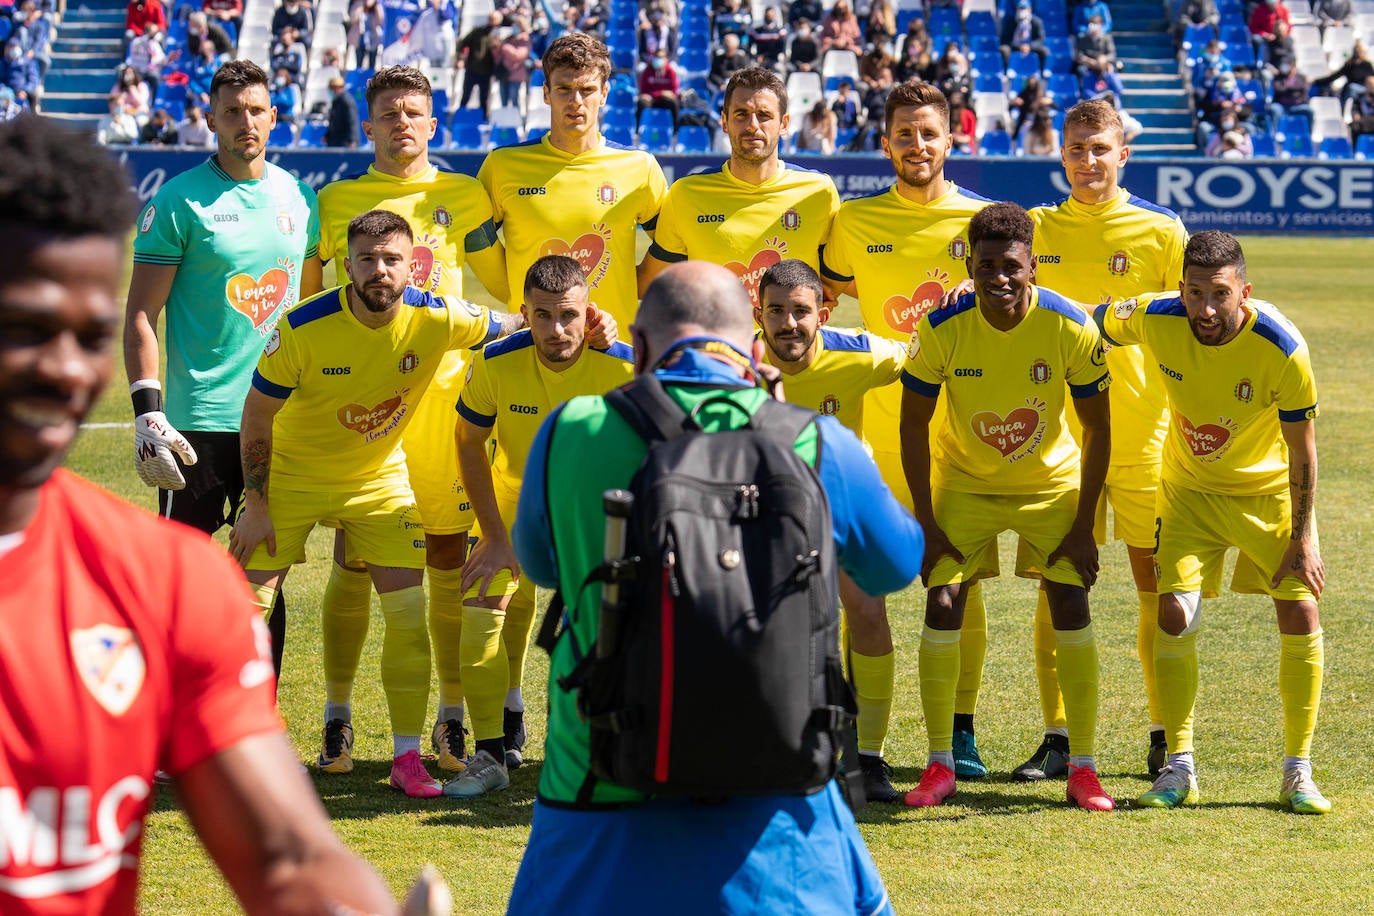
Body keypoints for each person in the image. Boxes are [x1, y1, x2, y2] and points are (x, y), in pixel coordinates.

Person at [0, 111, 398, 916]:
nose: (65, 370)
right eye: (25, 329)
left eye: (87, 336)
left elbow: (287, 857)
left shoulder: (168, 583)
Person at [506, 260, 921, 914]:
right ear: (754, 350)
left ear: (638, 347)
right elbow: (897, 564)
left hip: (597, 792)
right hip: (780, 808)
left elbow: (540, 565)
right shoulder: (813, 441)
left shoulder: (572, 428)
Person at [228, 210, 503, 799]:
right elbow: (255, 415)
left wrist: (597, 326)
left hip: (378, 481)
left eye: (392, 259)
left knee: (407, 614)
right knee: (243, 613)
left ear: (413, 263)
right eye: (367, 259)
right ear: (347, 264)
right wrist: (256, 502)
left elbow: (514, 326)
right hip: (292, 480)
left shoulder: (439, 316)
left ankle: (406, 758)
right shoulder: (303, 326)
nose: (380, 270)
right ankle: (226, 752)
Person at [308, 64, 514, 777]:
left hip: (445, 417)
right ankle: (337, 717)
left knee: (448, 563)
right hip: (360, 418)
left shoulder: (463, 195)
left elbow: (507, 291)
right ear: (368, 124)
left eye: (415, 113)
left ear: (434, 124)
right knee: (354, 561)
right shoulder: (336, 201)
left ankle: (450, 718)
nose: (402, 123)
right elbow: (310, 310)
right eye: (389, 112)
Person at [1093, 231, 1330, 815]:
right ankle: (1179, 768)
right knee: (1173, 614)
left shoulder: (1282, 347)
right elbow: (1088, 317)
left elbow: (1303, 453)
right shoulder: (1155, 316)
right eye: (1194, 293)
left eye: (1218, 295)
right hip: (1189, 493)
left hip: (1266, 494)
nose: (1204, 309)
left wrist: (1303, 537)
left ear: (1244, 292)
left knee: (1301, 608)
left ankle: (1298, 772)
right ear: (1180, 288)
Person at [899, 201, 1114, 812]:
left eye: (1011, 266)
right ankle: (939, 763)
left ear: (1032, 266)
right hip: (966, 483)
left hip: (1050, 484)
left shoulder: (1071, 327)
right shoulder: (942, 327)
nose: (999, 278)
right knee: (943, 599)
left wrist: (1083, 525)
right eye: (986, 265)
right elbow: (913, 423)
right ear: (969, 264)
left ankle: (1083, 766)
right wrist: (926, 520)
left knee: (1069, 597)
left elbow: (1099, 428)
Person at [820, 80, 995, 784]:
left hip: (962, 433)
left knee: (961, 585)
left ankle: (960, 729)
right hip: (872, 436)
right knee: (858, 590)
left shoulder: (984, 220)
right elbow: (827, 299)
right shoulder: (854, 223)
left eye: (929, 133)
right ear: (884, 140)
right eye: (904, 133)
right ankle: (857, 735)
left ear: (952, 138)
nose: (917, 146)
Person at [123, 60, 320, 684]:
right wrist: (147, 410)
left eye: (256, 110)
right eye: (231, 111)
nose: (245, 122)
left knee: (265, 573)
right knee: (179, 580)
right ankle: (166, 724)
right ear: (209, 118)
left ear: (274, 116)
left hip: (278, 420)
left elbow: (311, 312)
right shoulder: (179, 200)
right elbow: (139, 315)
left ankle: (254, 720)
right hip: (197, 423)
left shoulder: (300, 197)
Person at [1015, 97, 1187, 781]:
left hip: (1144, 434)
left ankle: (1164, 732)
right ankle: (1058, 736)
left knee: (1155, 583)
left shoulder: (1160, 230)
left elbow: (1191, 326)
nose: (1088, 161)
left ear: (1124, 154)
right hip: (1056, 437)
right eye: (1076, 149)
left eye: (1100, 148)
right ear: (1062, 155)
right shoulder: (1033, 229)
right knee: (1057, 584)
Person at [448, 255, 635, 797]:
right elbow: (466, 440)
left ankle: (597, 748)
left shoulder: (623, 366)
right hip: (516, 501)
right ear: (524, 312)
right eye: (544, 315)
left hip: (596, 510)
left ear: (588, 312)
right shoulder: (495, 361)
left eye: (570, 315)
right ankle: (488, 753)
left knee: (607, 628)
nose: (558, 329)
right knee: (483, 608)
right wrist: (495, 536)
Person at [753, 258, 912, 803]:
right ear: (759, 312)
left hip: (842, 505)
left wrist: (958, 305)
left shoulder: (860, 353)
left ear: (824, 313)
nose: (788, 324)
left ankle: (868, 758)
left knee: (867, 611)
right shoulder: (735, 363)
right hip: (767, 515)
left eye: (800, 312)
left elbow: (925, 354)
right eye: (776, 311)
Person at [478, 32, 668, 330]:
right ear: (546, 93)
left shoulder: (639, 167)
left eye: (587, 89)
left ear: (604, 93)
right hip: (533, 344)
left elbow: (673, 245)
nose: (575, 101)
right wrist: (518, 294)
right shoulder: (502, 165)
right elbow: (477, 245)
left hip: (612, 351)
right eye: (564, 88)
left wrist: (632, 288)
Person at [640, 66, 840, 306]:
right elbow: (650, 281)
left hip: (789, 343)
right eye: (741, 114)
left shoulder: (819, 192)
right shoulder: (685, 194)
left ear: (784, 123)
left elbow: (842, 280)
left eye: (764, 115)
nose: (752, 125)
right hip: (713, 344)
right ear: (724, 121)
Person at [457, 11, 501, 115]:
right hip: (472, 69)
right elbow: (462, 43)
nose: (492, 22)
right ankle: (460, 117)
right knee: (465, 96)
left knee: (484, 99)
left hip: (487, 72)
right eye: (490, 19)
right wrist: (460, 59)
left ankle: (484, 119)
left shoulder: (499, 35)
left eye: (494, 19)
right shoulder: (477, 32)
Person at [636, 47, 679, 127]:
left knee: (674, 103)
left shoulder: (671, 72)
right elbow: (643, 91)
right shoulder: (647, 71)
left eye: (661, 57)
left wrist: (666, 94)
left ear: (666, 59)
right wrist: (661, 93)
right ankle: (639, 129)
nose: (658, 59)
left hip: (664, 100)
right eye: (657, 57)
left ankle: (675, 131)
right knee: (642, 103)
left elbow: (674, 93)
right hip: (651, 100)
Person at [348, 0, 385, 70]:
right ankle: (359, 78)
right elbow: (353, 18)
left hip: (373, 38)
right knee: (359, 63)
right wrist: (362, 6)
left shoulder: (377, 6)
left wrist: (375, 5)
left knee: (372, 63)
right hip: (360, 39)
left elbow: (381, 20)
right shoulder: (357, 4)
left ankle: (371, 79)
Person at [325, 75, 359, 146]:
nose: (331, 91)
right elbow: (333, 122)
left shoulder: (346, 101)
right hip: (335, 141)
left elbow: (352, 121)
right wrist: (327, 136)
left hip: (344, 142)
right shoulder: (336, 101)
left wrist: (353, 140)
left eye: (332, 89)